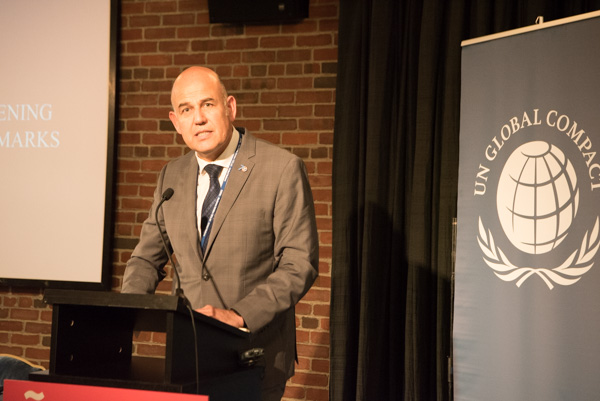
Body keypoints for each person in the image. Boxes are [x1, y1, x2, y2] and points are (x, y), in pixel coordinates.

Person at [121, 66, 319, 401]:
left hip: (254, 357)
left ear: (230, 107)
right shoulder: (171, 176)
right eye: (186, 110)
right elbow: (145, 259)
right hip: (189, 358)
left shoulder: (281, 168)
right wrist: (124, 315)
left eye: (207, 105)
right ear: (176, 122)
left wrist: (238, 315)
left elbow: (299, 264)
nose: (198, 119)